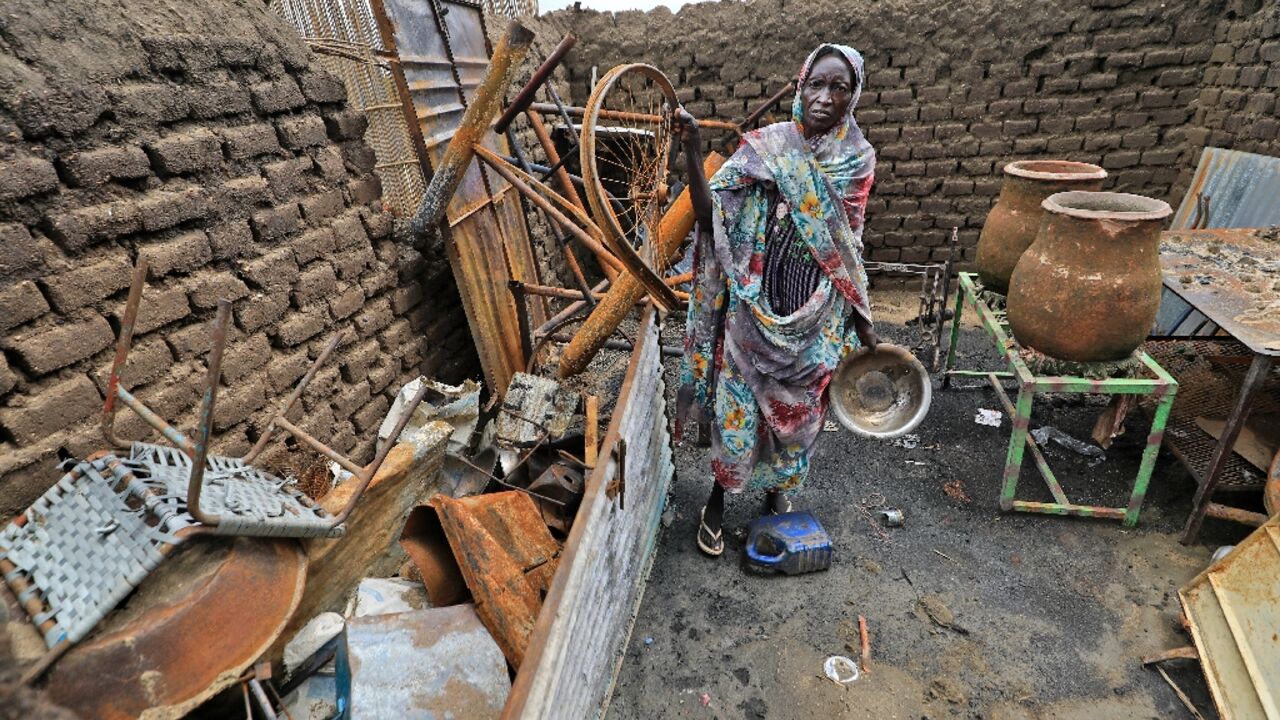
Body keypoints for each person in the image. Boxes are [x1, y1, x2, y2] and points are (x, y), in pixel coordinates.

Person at [673, 44, 878, 557]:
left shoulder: (858, 162)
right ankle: (717, 503)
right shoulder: (767, 150)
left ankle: (775, 498)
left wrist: (863, 323)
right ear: (800, 86)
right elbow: (708, 215)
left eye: (839, 87)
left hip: (817, 321)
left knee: (798, 424)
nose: (825, 97)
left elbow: (847, 248)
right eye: (816, 83)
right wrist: (695, 151)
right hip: (753, 315)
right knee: (737, 418)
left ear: (853, 97)